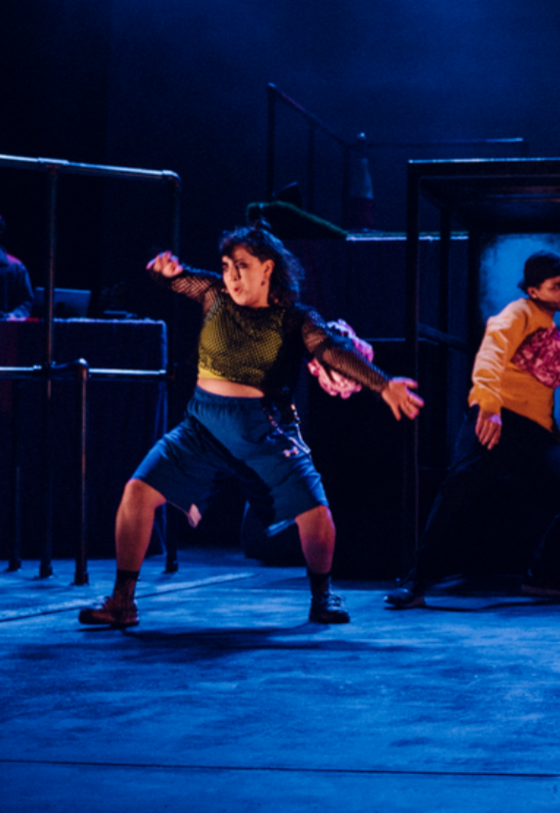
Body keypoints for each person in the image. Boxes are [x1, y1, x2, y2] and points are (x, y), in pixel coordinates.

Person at [79, 226, 424, 628]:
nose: (232, 277)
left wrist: (382, 384)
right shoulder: (213, 295)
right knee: (137, 493)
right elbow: (176, 279)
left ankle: (322, 595)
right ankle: (123, 601)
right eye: (226, 267)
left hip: (267, 430)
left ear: (267, 269)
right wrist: (163, 271)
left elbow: (331, 349)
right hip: (202, 427)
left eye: (241, 267)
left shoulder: (296, 319)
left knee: (316, 514)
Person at [385, 251, 560, 607]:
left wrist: (553, 434)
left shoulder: (549, 327)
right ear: (534, 290)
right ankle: (416, 581)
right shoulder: (519, 313)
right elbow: (492, 352)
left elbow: (538, 391)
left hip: (534, 432)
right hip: (497, 418)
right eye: (557, 286)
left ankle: (541, 576)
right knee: (456, 494)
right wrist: (490, 407)